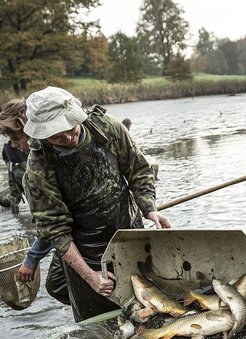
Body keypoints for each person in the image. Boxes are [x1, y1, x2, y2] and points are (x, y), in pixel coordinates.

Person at [22, 86, 170, 322]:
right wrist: (90, 276)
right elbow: (55, 230)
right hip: (84, 251)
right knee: (100, 328)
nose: (68, 138)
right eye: (57, 136)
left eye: (71, 129)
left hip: (128, 232)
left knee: (148, 313)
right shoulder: (38, 169)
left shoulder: (106, 127)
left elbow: (139, 171)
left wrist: (150, 210)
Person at [0, 99, 70, 305]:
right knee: (59, 285)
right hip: (66, 233)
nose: (14, 145)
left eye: (16, 137)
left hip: (76, 236)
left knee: (57, 284)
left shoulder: (46, 164)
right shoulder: (38, 163)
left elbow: (53, 223)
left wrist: (31, 258)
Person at [0, 99, 29, 214]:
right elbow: (10, 170)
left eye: (16, 139)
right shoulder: (7, 150)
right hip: (18, 175)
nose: (14, 144)